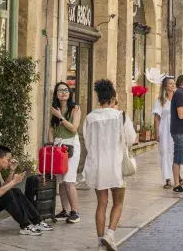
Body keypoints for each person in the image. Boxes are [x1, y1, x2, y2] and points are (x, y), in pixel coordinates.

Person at [81, 79, 137, 250]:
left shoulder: (90, 118)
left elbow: (87, 142)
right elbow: (131, 139)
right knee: (118, 202)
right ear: (113, 98)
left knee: (101, 203)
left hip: (98, 166)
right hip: (116, 165)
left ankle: (100, 242)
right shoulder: (121, 116)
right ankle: (110, 234)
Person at [0, 145, 53, 236]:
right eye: (8, 159)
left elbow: (4, 187)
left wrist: (12, 171)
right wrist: (14, 181)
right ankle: (25, 226)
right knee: (8, 193)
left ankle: (37, 222)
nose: (10, 162)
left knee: (16, 191)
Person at [48, 81, 82, 223]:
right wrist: (51, 143)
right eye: (61, 90)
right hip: (57, 146)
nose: (64, 92)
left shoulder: (75, 109)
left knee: (69, 180)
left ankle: (75, 212)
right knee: (60, 181)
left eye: (66, 90)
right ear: (56, 94)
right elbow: (51, 128)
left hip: (71, 146)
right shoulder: (54, 109)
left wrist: (61, 117)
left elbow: (74, 128)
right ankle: (65, 210)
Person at [151, 76, 176, 188]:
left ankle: (177, 175)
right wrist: (156, 133)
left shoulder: (178, 98)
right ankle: (167, 178)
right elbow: (157, 117)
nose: (173, 85)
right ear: (165, 86)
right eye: (170, 83)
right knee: (165, 152)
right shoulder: (160, 100)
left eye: (174, 83)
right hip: (165, 130)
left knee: (176, 152)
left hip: (177, 129)